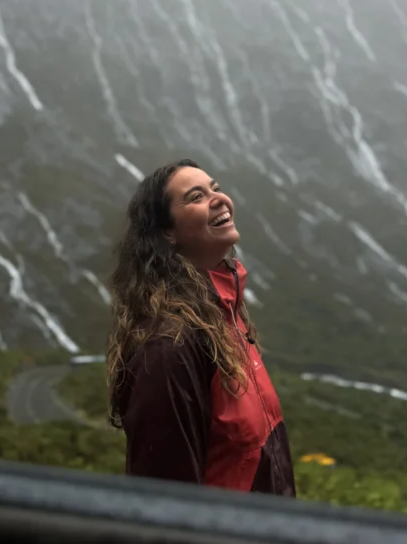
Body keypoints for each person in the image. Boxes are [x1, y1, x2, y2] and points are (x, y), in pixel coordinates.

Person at [106, 159, 296, 496]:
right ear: (168, 233)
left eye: (216, 189)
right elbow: (165, 499)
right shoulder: (168, 346)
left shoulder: (225, 316)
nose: (218, 198)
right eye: (196, 196)